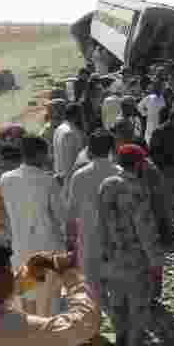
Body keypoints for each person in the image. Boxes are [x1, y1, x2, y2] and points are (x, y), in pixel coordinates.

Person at [98, 144, 163, 346]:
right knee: (137, 305)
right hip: (134, 258)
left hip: (111, 257)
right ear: (138, 164)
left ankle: (120, 345)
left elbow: (100, 222)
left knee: (117, 304)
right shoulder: (137, 188)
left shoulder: (106, 185)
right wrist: (155, 261)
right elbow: (145, 229)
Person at [0, 135, 66, 317]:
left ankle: (30, 336)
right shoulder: (47, 180)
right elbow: (61, 216)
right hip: (47, 248)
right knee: (49, 299)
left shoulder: (5, 179)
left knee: (27, 296)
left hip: (20, 246)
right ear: (39, 155)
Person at [65, 129, 118, 301]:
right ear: (112, 149)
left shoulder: (79, 176)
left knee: (91, 282)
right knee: (116, 276)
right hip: (116, 234)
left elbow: (71, 210)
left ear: (90, 150)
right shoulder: (120, 173)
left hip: (88, 234)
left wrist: (70, 238)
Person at [149, 107, 174, 232]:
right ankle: (167, 228)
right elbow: (154, 154)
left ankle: (171, 224)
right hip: (165, 171)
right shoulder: (159, 132)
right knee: (166, 201)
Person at [53, 102, 88, 186]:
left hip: (61, 176)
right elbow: (70, 161)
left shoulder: (60, 128)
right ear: (76, 116)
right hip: (69, 180)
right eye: (82, 115)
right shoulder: (70, 133)